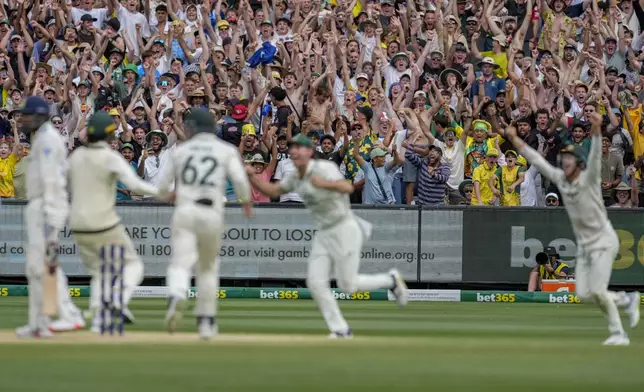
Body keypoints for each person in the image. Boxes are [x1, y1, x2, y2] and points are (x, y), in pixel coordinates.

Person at [246, 133, 408, 338]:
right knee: (315, 282)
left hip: (344, 228)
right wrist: (251, 177)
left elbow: (347, 187)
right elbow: (272, 189)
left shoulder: (325, 168)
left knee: (347, 286)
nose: (294, 151)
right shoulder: (294, 176)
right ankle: (340, 329)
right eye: (292, 148)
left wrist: (324, 184)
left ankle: (391, 280)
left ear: (310, 152)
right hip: (323, 234)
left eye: (299, 147)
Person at [505, 114, 640, 346]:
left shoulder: (588, 179)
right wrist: (514, 139)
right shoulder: (560, 178)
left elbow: (596, 156)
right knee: (584, 294)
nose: (565, 161)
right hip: (585, 246)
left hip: (604, 241)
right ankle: (626, 301)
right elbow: (537, 160)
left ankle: (618, 332)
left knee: (597, 290)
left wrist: (597, 129)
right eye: (563, 158)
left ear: (578, 163)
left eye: (569, 158)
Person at [156, 109, 252, 340]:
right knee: (208, 268)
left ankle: (178, 293)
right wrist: (246, 202)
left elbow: (161, 188)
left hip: (186, 209)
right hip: (212, 211)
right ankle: (206, 323)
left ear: (192, 128)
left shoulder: (182, 150)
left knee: (180, 263)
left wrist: (169, 196)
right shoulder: (226, 149)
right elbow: (239, 180)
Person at [67, 112, 161, 332]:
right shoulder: (111, 157)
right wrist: (164, 192)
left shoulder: (76, 157)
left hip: (78, 225)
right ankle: (117, 300)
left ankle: (100, 321)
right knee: (134, 266)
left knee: (100, 273)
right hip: (103, 223)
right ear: (110, 135)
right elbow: (135, 186)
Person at [15, 97, 84, 338]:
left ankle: (69, 315)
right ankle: (39, 323)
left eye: (26, 115)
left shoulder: (47, 140)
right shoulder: (43, 138)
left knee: (46, 265)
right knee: (37, 267)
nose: (22, 119)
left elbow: (52, 180)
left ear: (39, 116)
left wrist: (52, 213)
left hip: (46, 206)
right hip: (42, 206)